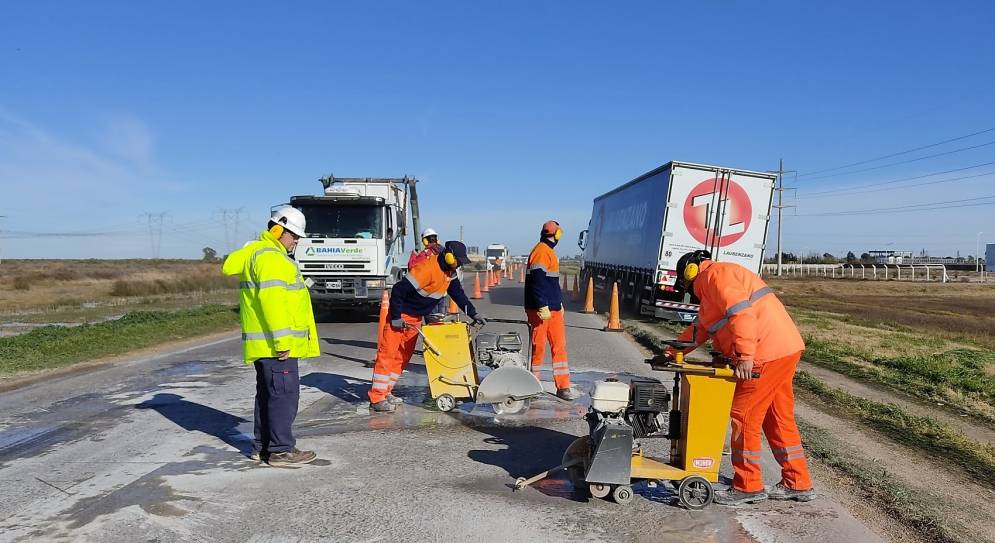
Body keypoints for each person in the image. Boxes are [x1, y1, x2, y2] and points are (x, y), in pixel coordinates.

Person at [664, 250, 815, 505]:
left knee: (743, 415)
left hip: (764, 353)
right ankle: (797, 481)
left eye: (688, 286)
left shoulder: (715, 277)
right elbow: (699, 329)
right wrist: (669, 353)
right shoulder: (716, 285)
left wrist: (745, 355)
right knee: (777, 417)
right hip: (784, 349)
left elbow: (741, 314)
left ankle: (748, 485)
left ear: (690, 273)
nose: (692, 293)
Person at [222, 206, 320, 466]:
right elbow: (272, 304)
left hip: (263, 346)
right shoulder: (272, 259)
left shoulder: (257, 253)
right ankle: (280, 451)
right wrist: (282, 342)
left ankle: (262, 447)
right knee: (284, 397)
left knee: (268, 395)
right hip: (276, 346)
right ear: (277, 230)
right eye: (294, 235)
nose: (296, 240)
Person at [369, 240, 486, 412]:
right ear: (448, 256)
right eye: (458, 261)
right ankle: (377, 398)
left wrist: (473, 313)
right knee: (388, 355)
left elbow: (458, 294)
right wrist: (395, 317)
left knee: (402, 357)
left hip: (414, 319)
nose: (459, 264)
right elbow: (399, 291)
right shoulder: (426, 270)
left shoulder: (449, 272)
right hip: (400, 316)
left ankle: (386, 391)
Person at [524, 220, 579, 401]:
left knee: (559, 347)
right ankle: (532, 385)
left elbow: (551, 284)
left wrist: (558, 304)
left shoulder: (548, 252)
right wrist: (542, 305)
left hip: (552, 309)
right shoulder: (541, 252)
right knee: (538, 347)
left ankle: (563, 387)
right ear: (556, 235)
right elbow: (538, 282)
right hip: (540, 310)